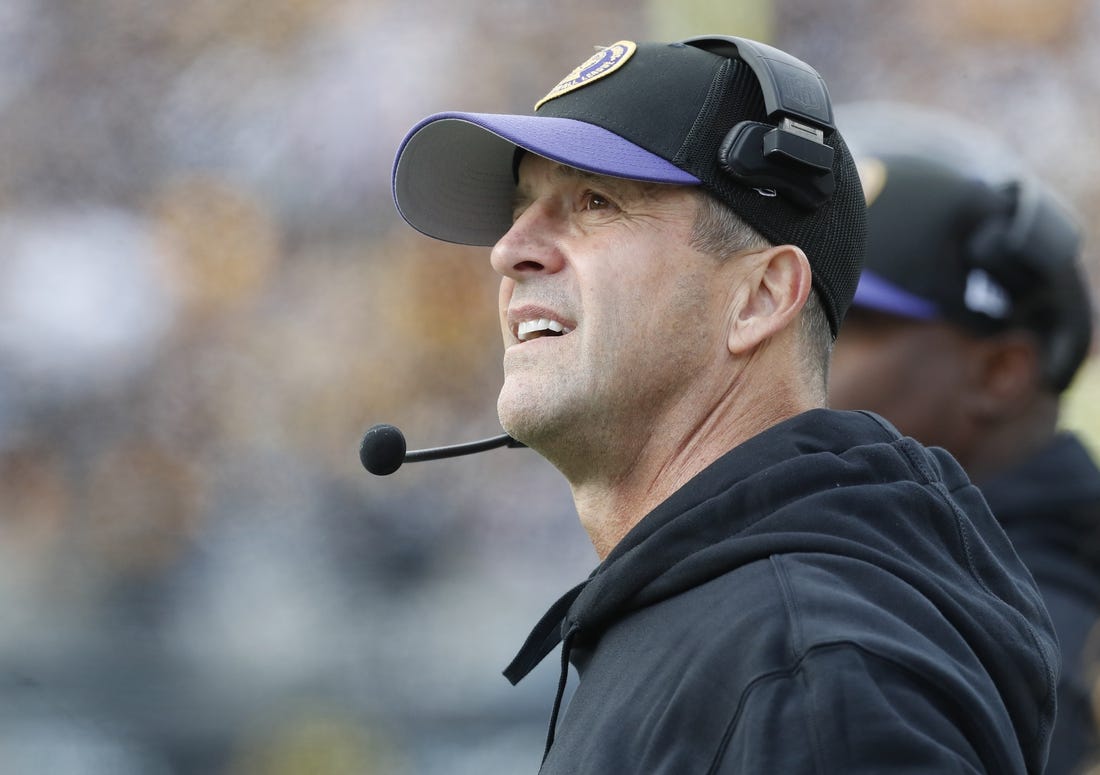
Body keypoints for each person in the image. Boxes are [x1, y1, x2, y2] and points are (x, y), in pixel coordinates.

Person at [387, 37, 1058, 772]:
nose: (509, 249)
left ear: (761, 298)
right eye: (522, 209)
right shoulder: (733, 632)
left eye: (594, 202)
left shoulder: (810, 675)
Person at [829, 123, 1100, 774]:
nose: (793, 344)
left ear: (999, 372)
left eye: (846, 320)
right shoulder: (905, 570)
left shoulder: (1033, 647)